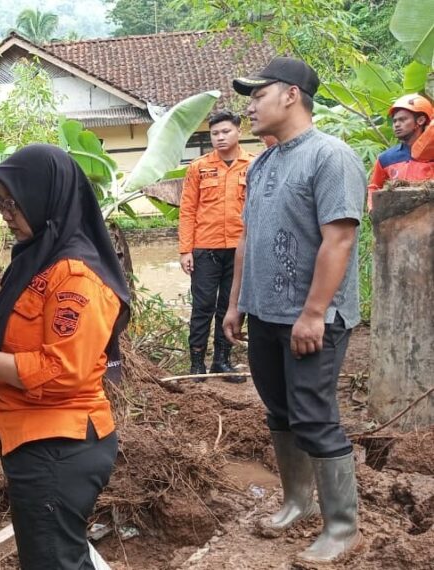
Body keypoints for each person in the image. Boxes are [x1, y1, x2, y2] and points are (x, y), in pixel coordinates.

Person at [0, 144, 129, 569]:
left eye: (13, 202)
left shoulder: (76, 278)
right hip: (36, 438)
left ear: (46, 197)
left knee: (54, 561)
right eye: (0, 202)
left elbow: (60, 373)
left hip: (60, 446)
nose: (5, 213)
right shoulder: (39, 261)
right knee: (57, 558)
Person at [226, 57, 365, 563]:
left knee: (313, 415)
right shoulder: (263, 161)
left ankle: (342, 528)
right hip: (265, 314)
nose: (250, 106)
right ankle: (296, 502)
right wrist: (238, 302)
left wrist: (313, 313)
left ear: (289, 95)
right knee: (280, 411)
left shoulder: (331, 156)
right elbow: (248, 237)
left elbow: (340, 239)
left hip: (311, 319)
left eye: (257, 95)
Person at [178, 110, 252, 379]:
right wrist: (186, 250)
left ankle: (222, 360)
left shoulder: (253, 165)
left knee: (230, 307)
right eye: (215, 133)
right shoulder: (199, 167)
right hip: (205, 249)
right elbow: (187, 210)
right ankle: (196, 363)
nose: (220, 138)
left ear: (238, 132)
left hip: (239, 249)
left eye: (225, 132)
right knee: (203, 306)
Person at [367, 94, 434, 209]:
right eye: (395, 121)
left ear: (421, 120)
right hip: (397, 222)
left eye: (403, 119)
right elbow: (374, 186)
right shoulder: (386, 158)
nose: (397, 125)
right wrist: (373, 210)